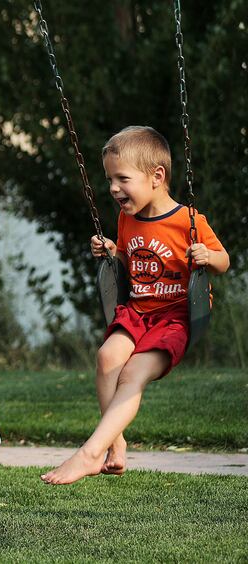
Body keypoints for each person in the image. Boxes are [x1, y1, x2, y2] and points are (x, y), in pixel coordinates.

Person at [41, 126, 230, 485]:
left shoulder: (188, 221)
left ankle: (90, 452)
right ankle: (116, 443)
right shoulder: (127, 218)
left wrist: (208, 255)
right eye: (110, 179)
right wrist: (112, 252)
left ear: (157, 177)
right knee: (107, 358)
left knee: (132, 374)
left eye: (122, 178)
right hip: (138, 310)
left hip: (176, 317)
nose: (113, 188)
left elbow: (224, 261)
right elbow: (130, 265)